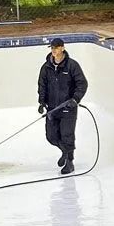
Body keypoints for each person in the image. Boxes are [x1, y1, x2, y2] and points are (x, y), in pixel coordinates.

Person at [37, 38, 87, 174]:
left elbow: (82, 84)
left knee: (67, 135)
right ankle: (65, 152)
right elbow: (42, 85)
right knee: (51, 136)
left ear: (62, 48)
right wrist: (42, 102)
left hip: (67, 108)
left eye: (56, 47)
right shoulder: (46, 67)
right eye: (52, 48)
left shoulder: (72, 66)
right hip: (52, 109)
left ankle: (70, 162)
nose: (53, 50)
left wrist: (75, 99)